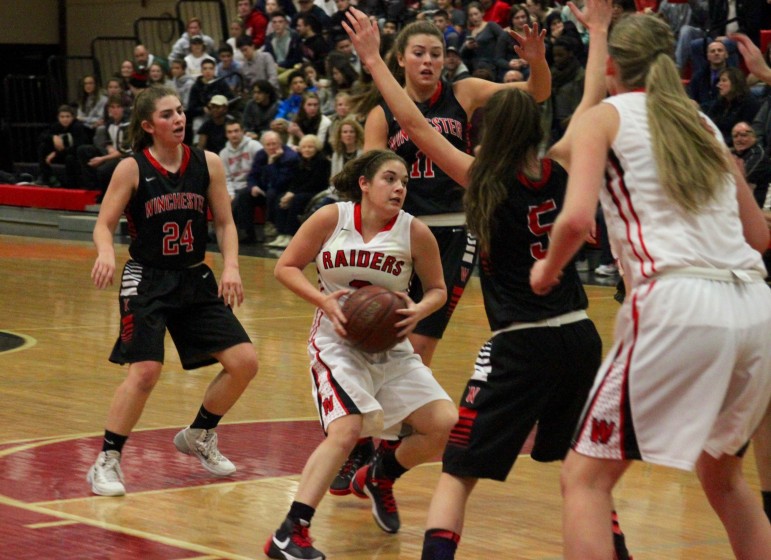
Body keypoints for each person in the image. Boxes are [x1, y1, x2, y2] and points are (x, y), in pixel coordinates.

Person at [342, 4, 627, 559]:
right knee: (583, 474)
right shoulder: (565, 164)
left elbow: (417, 126)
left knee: (458, 470)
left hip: (521, 343)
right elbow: (592, 102)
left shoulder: (481, 180)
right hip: (582, 336)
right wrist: (597, 32)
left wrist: (375, 61)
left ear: (485, 133)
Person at [529, 16, 771, 560]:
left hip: (676, 302)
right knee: (725, 479)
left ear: (612, 65)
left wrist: (545, 271)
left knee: (584, 480)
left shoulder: (603, 119)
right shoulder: (704, 125)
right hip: (755, 309)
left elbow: (571, 223)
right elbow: (758, 236)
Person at [332, 9, 551, 498]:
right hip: (398, 233)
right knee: (375, 336)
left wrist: (536, 62)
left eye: (436, 53)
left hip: (453, 231)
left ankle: (385, 447)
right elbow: (367, 179)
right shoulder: (380, 113)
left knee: (419, 344)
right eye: (419, 53)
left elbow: (534, 95)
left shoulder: (466, 92)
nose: (429, 61)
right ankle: (361, 441)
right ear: (401, 60)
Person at [265, 149, 457, 559]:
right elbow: (286, 266)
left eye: (404, 181)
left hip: (390, 346)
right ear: (365, 184)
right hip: (336, 339)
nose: (400, 187)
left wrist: (420, 309)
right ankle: (289, 532)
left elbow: (438, 288)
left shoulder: (415, 232)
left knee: (443, 424)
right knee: (347, 429)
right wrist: (325, 300)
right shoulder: (330, 218)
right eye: (389, 178)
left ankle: (380, 475)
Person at [86, 85, 259, 497]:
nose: (178, 119)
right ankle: (106, 460)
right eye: (167, 114)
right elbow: (103, 223)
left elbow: (226, 223)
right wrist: (106, 252)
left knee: (245, 362)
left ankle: (200, 433)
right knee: (145, 371)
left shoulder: (207, 162)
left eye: (180, 111)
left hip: (193, 277)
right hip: (146, 278)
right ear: (148, 126)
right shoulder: (130, 168)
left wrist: (232, 266)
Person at [234, 130, 299, 244]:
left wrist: (271, 163)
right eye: (268, 145)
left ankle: (272, 228)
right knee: (244, 195)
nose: (271, 147)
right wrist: (253, 186)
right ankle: (248, 234)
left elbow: (279, 183)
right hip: (264, 190)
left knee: (273, 193)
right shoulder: (260, 154)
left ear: (280, 143)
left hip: (282, 190)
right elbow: (252, 175)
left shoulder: (290, 157)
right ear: (263, 146)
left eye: (274, 144)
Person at [270, 134, 331, 247]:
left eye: (310, 147)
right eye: (304, 147)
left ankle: (291, 234)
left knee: (297, 200)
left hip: (316, 191)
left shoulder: (322, 161)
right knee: (280, 198)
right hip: (300, 191)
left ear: (316, 148)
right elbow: (294, 180)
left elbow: (315, 183)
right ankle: (281, 234)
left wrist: (293, 194)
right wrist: (289, 193)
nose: (307, 150)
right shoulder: (299, 161)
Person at [76, 95, 131, 197]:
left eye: (118, 107)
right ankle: (92, 187)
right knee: (83, 150)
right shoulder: (110, 122)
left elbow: (127, 149)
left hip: (125, 156)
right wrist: (109, 148)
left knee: (104, 170)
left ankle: (106, 196)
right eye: (112, 107)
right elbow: (107, 141)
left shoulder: (128, 124)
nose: (115, 110)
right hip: (112, 152)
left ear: (123, 108)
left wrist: (103, 158)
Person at [36, 104, 91, 188]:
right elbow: (41, 136)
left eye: (67, 116)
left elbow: (78, 147)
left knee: (70, 158)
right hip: (61, 154)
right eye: (62, 117)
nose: (65, 119)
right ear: (58, 117)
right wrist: (53, 137)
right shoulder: (57, 126)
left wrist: (56, 153)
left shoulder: (78, 127)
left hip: (74, 155)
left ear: (73, 117)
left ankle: (71, 185)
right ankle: (46, 177)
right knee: (43, 146)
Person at [704, 67, 760, 146]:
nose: (719, 85)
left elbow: (745, 133)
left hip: (737, 146)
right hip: (718, 143)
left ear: (735, 83)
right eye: (720, 81)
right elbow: (709, 122)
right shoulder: (721, 101)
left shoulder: (749, 103)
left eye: (724, 80)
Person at [221, 119, 263, 200]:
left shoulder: (254, 145)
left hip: (253, 185)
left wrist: (254, 185)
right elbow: (226, 178)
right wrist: (230, 193)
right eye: (230, 132)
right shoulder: (223, 153)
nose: (233, 135)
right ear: (226, 134)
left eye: (236, 131)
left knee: (242, 196)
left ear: (243, 131)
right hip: (235, 188)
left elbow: (263, 169)